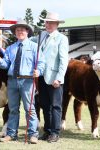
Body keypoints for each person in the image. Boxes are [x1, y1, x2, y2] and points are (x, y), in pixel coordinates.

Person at [0, 19, 45, 144]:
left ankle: (33, 134)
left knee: (30, 109)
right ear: (15, 33)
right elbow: (6, 65)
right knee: (13, 109)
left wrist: (39, 71)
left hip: (27, 81)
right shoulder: (10, 48)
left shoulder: (34, 47)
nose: (20, 32)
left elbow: (41, 63)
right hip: (12, 81)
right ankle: (11, 134)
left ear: (27, 32)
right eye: (17, 30)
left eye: (22, 29)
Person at [37, 12, 69, 143]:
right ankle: (47, 131)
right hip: (41, 77)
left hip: (55, 78)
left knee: (56, 106)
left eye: (51, 22)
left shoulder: (62, 38)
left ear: (57, 24)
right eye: (47, 22)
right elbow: (29, 42)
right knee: (45, 105)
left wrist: (59, 78)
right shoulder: (41, 35)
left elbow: (63, 60)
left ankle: (55, 133)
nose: (48, 24)